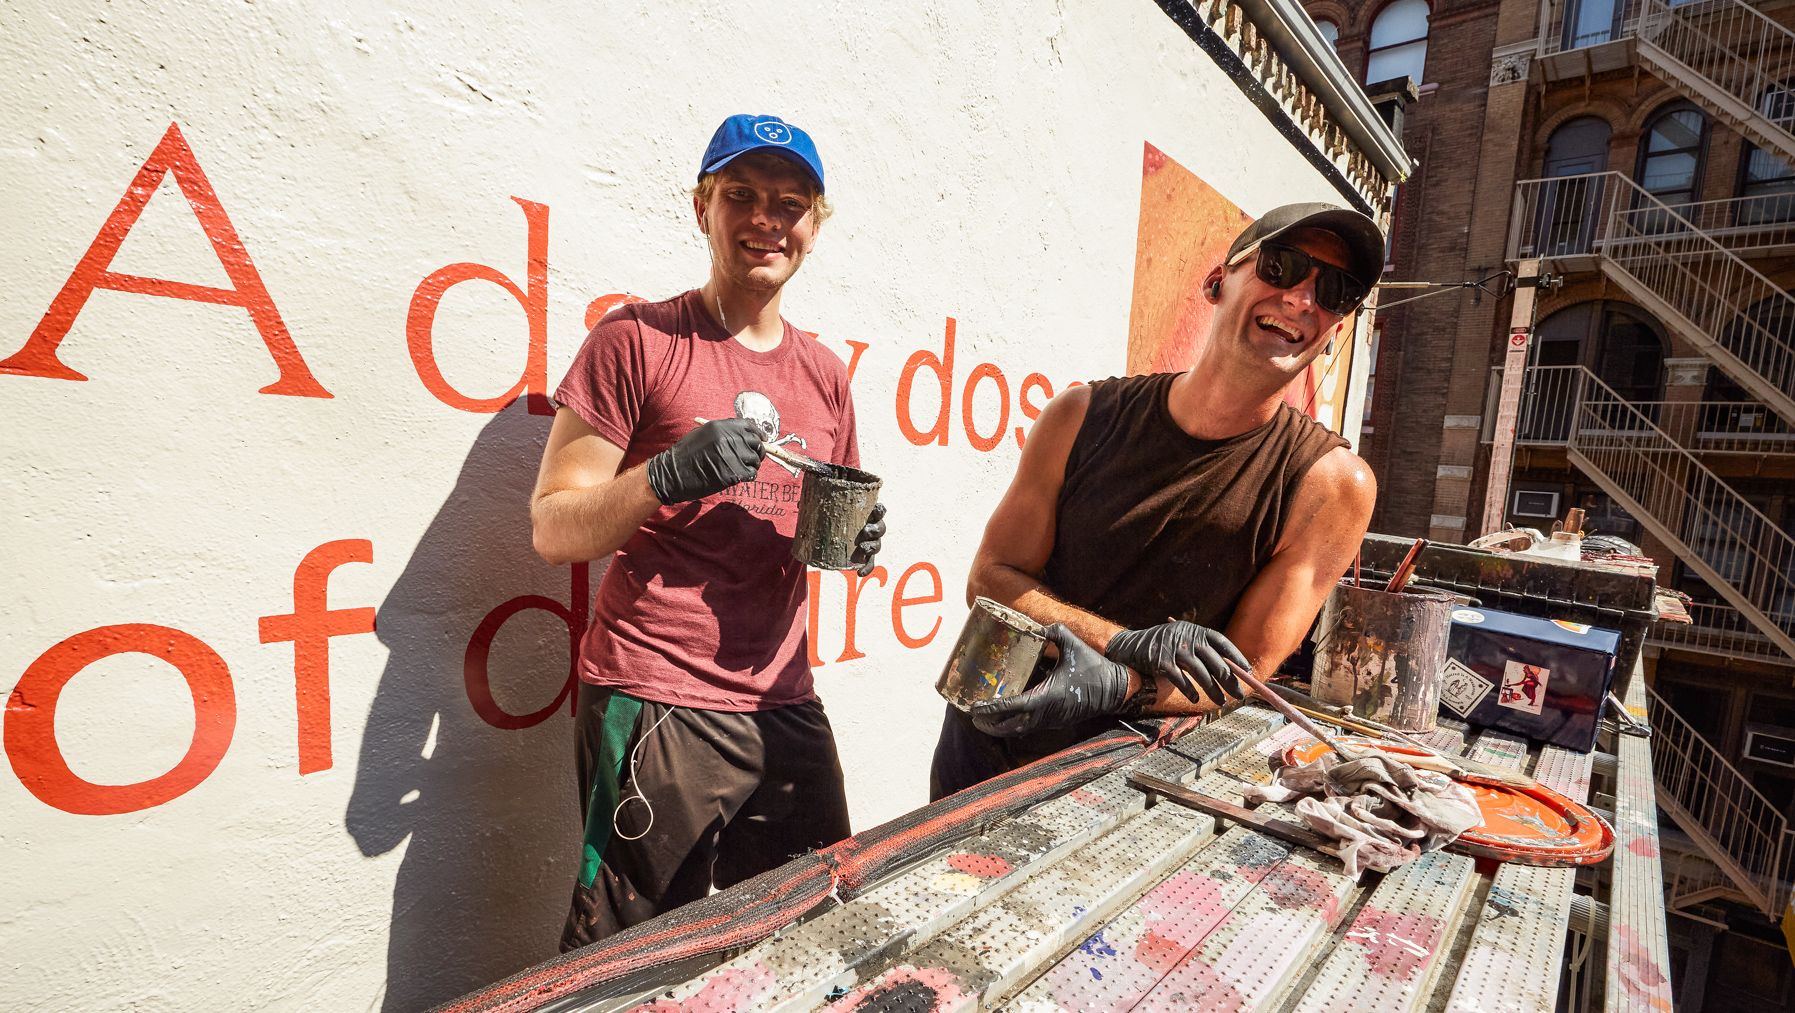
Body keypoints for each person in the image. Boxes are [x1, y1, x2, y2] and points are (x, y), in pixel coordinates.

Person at [532, 114, 886, 949]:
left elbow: (824, 521)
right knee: (634, 955)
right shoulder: (636, 340)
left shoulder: (825, 375)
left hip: (781, 699)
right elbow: (553, 527)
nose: (766, 219)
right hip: (654, 696)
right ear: (702, 208)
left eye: (790, 203)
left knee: (813, 927)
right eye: (741, 195)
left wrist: (857, 545)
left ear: (814, 226)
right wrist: (662, 476)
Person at [930, 203, 1382, 798]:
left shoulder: (1332, 485)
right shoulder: (1080, 416)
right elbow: (991, 577)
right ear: (1218, 282)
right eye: (1282, 266)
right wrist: (1121, 642)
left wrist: (1119, 684)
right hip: (987, 741)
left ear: (1335, 331)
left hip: (1129, 780)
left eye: (1335, 291)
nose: (1302, 299)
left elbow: (1243, 672)